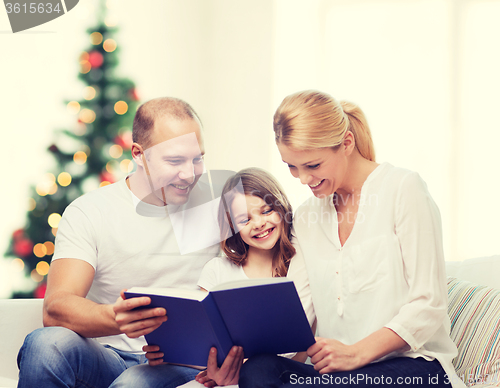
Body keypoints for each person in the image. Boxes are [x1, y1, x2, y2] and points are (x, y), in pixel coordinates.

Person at [239, 90, 466, 388]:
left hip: (415, 367)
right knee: (259, 369)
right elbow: (299, 312)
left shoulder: (403, 189)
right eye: (292, 166)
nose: (303, 179)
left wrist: (355, 353)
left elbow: (429, 305)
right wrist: (236, 362)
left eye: (313, 165)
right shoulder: (308, 216)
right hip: (340, 376)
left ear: (346, 144)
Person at [16, 97, 233, 388]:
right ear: (138, 154)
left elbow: (267, 261)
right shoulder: (90, 211)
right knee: (46, 345)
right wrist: (114, 318)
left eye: (197, 158)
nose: (190, 174)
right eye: (174, 160)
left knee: (132, 385)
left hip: (182, 363)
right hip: (108, 356)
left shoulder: (220, 204)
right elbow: (56, 307)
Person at [130, 168, 316, 387]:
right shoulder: (218, 270)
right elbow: (205, 344)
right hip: (222, 377)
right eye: (245, 219)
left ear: (282, 208)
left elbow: (300, 350)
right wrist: (169, 355)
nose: (258, 223)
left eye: (266, 211)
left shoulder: (301, 263)